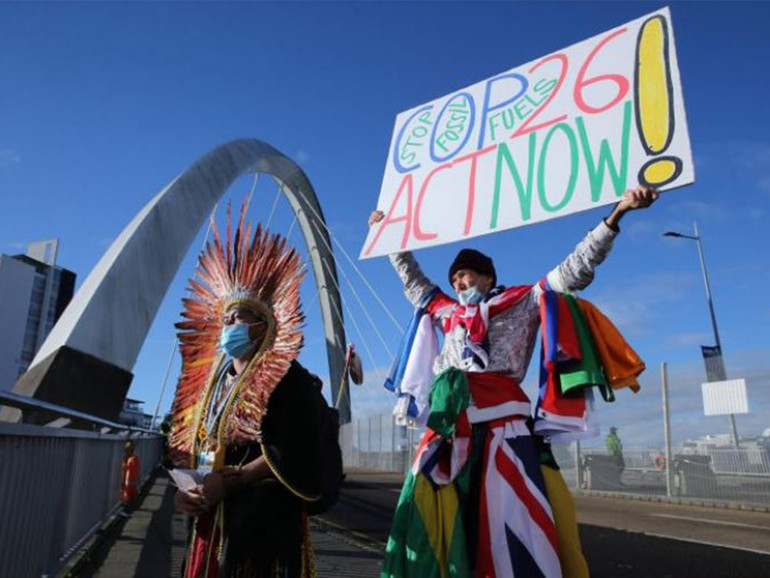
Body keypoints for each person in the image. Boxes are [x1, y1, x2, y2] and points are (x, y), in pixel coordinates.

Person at [370, 186, 658, 578]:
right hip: (449, 425)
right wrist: (390, 238)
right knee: (427, 504)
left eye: (465, 273)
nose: (458, 282)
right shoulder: (447, 311)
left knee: (510, 518)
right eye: (454, 277)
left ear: (488, 276)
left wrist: (618, 213)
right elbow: (413, 281)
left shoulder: (524, 302)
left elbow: (576, 267)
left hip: (503, 427)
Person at [168, 205, 324, 578]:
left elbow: (293, 449)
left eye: (240, 318)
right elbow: (187, 440)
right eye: (226, 318)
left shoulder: (290, 379)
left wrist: (232, 479)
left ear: (265, 325)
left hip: (263, 523)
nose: (230, 326)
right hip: (211, 518)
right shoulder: (212, 382)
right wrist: (185, 493)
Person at [121, 440, 140, 505]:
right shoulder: (133, 458)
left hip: (129, 484)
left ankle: (126, 500)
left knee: (128, 496)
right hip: (130, 484)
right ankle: (126, 500)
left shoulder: (131, 459)